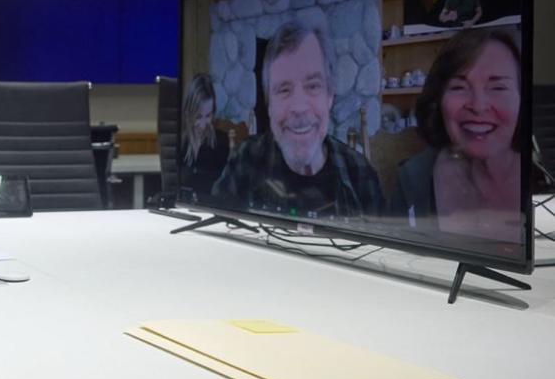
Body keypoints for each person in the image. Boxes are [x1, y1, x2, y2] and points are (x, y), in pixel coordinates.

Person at [212, 20, 383, 218]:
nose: (299, 108)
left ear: (329, 95)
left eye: (312, 86)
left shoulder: (361, 176)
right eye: (284, 90)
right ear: (270, 105)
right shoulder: (244, 162)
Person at [389, 27, 524, 244]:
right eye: (459, 87)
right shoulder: (413, 179)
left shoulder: (542, 180)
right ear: (438, 99)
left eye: (498, 87)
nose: (478, 106)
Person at [179, 73, 228, 203]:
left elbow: (223, 190)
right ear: (188, 112)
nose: (203, 124)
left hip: (210, 209)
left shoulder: (221, 141)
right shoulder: (180, 143)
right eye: (198, 117)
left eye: (208, 116)